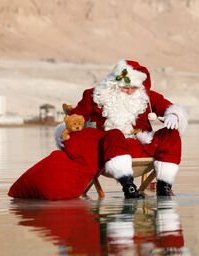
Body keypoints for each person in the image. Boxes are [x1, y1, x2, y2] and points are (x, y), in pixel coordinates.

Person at [57, 59, 188, 198]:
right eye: (125, 87)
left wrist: (173, 115)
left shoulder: (147, 97)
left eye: (134, 87)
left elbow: (168, 106)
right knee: (115, 133)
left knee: (171, 134)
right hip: (109, 148)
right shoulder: (94, 95)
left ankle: (164, 186)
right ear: (113, 83)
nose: (130, 91)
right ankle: (128, 187)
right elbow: (75, 119)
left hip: (142, 146)